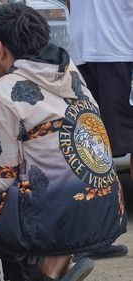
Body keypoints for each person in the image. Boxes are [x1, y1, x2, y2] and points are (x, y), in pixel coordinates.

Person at [0, 3, 127, 280]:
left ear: (0, 48)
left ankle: (42, 262)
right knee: (21, 189)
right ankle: (48, 264)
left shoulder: (5, 91)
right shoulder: (69, 69)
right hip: (106, 210)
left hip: (55, 220)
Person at [65, 0, 132, 260]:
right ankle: (96, 236)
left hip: (114, 50)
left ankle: (97, 234)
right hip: (94, 51)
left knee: (119, 141)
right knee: (89, 144)